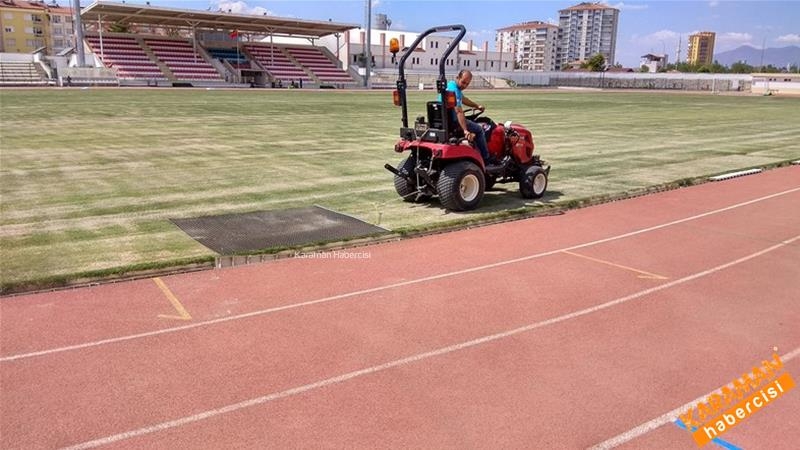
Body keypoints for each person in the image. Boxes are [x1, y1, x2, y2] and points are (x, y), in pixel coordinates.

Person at [442, 69, 493, 165]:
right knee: (479, 129)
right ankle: (486, 159)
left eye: (467, 84)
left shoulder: (451, 86)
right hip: (453, 121)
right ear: (458, 78)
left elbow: (464, 99)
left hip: (447, 119)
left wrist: (476, 106)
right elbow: (459, 111)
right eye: (463, 82)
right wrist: (465, 130)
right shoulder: (454, 90)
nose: (464, 86)